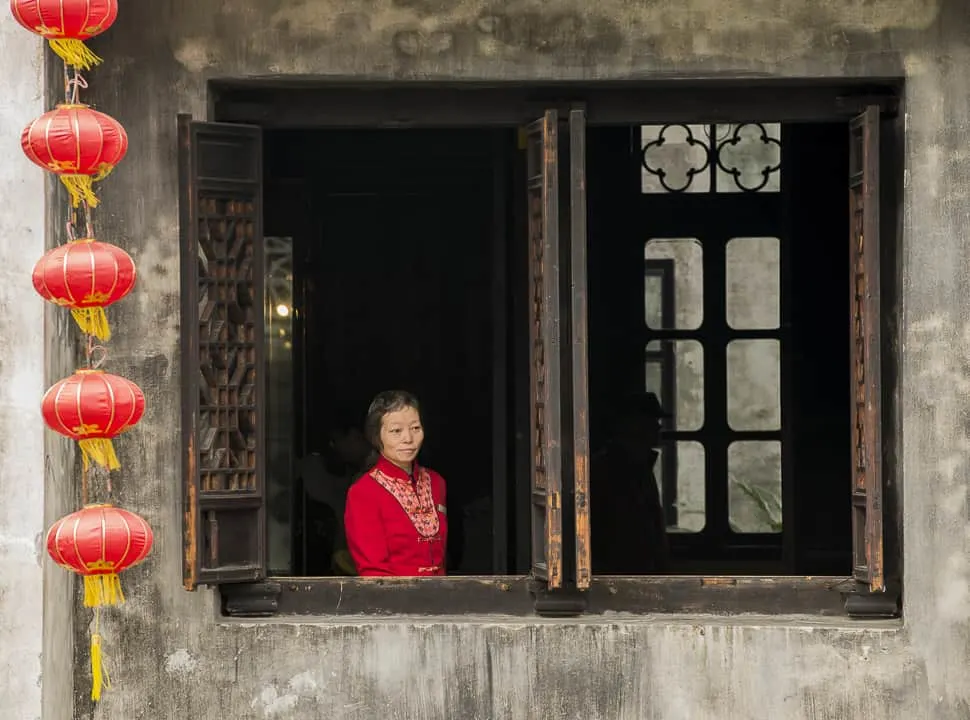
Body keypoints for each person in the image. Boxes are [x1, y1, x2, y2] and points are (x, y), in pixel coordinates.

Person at [344, 390, 448, 576]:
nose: (408, 439)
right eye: (396, 431)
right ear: (376, 437)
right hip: (395, 601)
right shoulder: (364, 492)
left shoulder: (436, 482)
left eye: (415, 428)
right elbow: (373, 572)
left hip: (441, 598)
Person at [590, 391, 670, 574]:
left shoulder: (641, 468)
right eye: (651, 421)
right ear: (631, 424)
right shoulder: (606, 471)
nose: (658, 427)